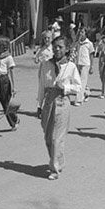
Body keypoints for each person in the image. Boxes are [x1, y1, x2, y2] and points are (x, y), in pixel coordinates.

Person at [38, 35, 81, 179]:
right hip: (49, 101)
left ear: (67, 49)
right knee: (48, 137)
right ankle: (58, 161)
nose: (57, 49)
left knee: (58, 137)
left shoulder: (70, 66)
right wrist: (39, 104)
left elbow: (78, 87)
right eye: (55, 46)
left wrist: (66, 87)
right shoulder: (46, 65)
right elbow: (42, 85)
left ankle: (54, 169)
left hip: (62, 101)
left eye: (60, 47)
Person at [72, 27, 95, 100]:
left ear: (86, 33)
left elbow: (91, 55)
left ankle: (78, 99)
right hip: (78, 63)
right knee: (78, 81)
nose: (81, 34)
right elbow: (73, 51)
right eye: (80, 32)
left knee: (82, 81)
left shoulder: (89, 44)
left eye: (82, 32)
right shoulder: (77, 43)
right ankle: (86, 92)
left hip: (85, 64)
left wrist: (91, 66)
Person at [34, 29, 54, 112]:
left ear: (51, 38)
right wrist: (38, 59)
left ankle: (49, 108)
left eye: (48, 38)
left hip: (51, 72)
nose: (46, 40)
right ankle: (39, 107)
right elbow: (36, 60)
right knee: (41, 90)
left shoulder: (53, 48)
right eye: (45, 38)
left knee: (51, 89)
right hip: (43, 72)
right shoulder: (41, 49)